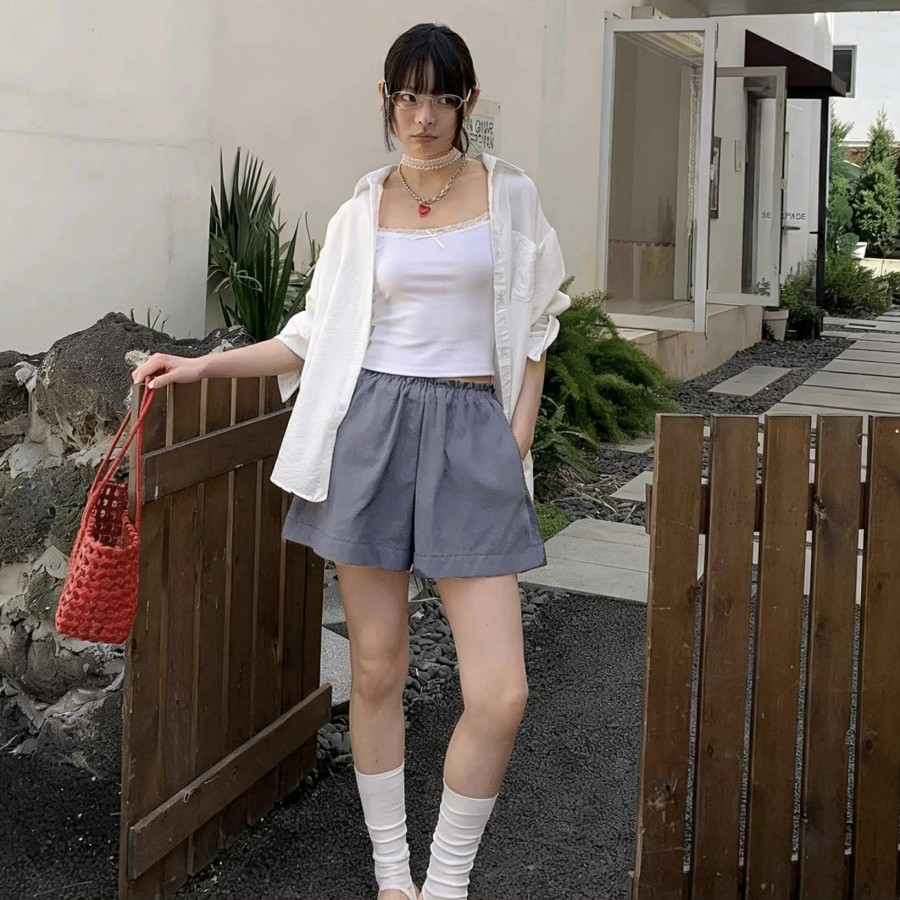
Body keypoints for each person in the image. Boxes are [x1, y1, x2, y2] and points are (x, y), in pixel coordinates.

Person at [133, 22, 570, 900]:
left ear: (467, 103)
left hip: (470, 436)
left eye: (441, 99)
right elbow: (312, 335)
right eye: (408, 97)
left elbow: (538, 324)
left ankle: (447, 883)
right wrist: (204, 366)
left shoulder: (511, 194)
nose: (424, 116)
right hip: (371, 431)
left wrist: (514, 434)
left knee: (500, 692)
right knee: (375, 666)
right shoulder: (360, 209)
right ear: (386, 100)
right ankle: (393, 876)